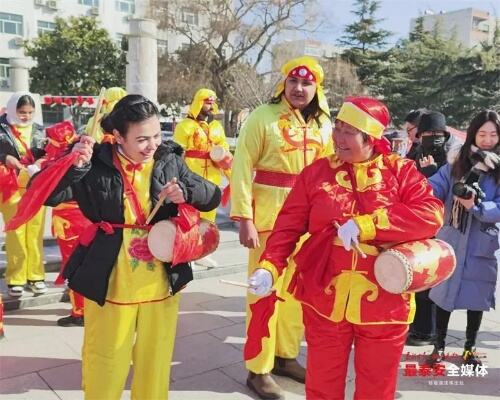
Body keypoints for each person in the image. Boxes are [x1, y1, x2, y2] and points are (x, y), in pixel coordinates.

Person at [247, 96, 444, 400]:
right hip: (324, 295)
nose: (337, 137)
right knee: (322, 386)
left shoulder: (400, 172)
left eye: (348, 131)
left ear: (371, 137)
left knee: (376, 389)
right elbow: (288, 225)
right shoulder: (316, 173)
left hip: (385, 299)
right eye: (336, 127)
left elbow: (430, 214)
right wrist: (270, 266)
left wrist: (369, 225)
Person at [45, 95, 221, 399]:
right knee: (106, 360)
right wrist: (74, 164)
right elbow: (49, 194)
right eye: (141, 139)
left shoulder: (168, 160)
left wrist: (186, 191)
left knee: (155, 362)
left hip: (162, 281)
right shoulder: (95, 162)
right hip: (112, 279)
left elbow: (213, 196)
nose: (152, 144)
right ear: (118, 137)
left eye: (156, 135)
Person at [230, 56, 333, 399]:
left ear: (317, 88)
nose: (299, 88)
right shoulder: (262, 118)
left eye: (307, 83)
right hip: (268, 221)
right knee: (263, 293)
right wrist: (243, 217)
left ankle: (285, 355)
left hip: (308, 224)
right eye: (294, 82)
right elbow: (242, 166)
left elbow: (332, 171)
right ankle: (258, 369)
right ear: (284, 84)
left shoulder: (324, 125)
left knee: (295, 294)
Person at [426, 110, 500, 367]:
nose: (487, 140)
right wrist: (422, 186)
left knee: (476, 299)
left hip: (482, 244)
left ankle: (469, 350)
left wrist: (477, 206)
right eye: (482, 134)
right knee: (444, 294)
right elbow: (436, 186)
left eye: (493, 134)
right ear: (473, 135)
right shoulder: (456, 163)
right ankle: (439, 347)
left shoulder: (499, 169)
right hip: (452, 239)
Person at [406, 110, 463, 346]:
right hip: (419, 220)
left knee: (434, 279)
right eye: (429, 132)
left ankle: (428, 331)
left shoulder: (455, 157)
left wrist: (431, 173)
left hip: (445, 224)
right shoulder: (416, 152)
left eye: (438, 132)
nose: (434, 137)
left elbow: (454, 188)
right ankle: (419, 327)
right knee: (419, 274)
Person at [174, 88, 229, 268]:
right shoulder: (185, 126)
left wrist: (230, 174)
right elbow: (176, 154)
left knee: (209, 217)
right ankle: (186, 251)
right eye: (207, 101)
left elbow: (225, 152)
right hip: (191, 177)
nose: (210, 104)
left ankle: (202, 252)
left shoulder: (217, 127)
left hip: (212, 177)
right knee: (189, 215)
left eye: (212, 101)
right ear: (198, 102)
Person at [0, 92, 47, 297]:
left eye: (29, 112)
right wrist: (7, 157)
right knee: (16, 233)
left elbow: (48, 154)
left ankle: (36, 276)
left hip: (36, 185)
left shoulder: (39, 130)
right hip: (11, 187)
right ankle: (16, 278)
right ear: (12, 110)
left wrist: (39, 163)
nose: (26, 116)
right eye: (22, 112)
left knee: (35, 233)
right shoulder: (2, 130)